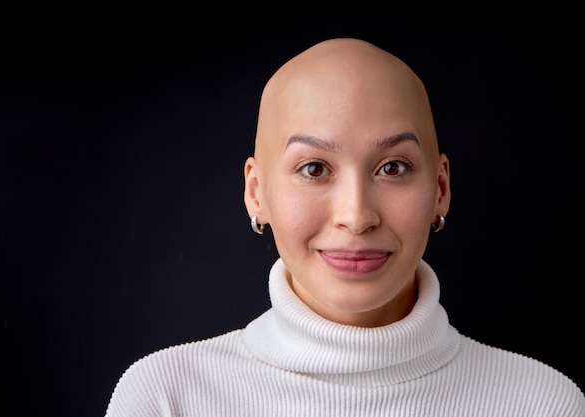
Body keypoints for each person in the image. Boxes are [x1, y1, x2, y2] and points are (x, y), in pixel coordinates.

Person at [103, 38, 585, 416]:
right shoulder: (167, 399)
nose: (356, 217)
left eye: (393, 168)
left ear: (440, 188)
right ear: (257, 192)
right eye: (314, 169)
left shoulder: (542, 404)